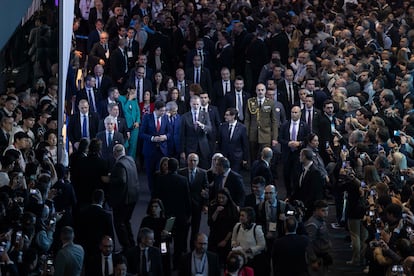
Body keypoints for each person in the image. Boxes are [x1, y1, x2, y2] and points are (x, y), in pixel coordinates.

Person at [153, 158, 191, 268]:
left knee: (164, 240)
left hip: (167, 217)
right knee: (178, 242)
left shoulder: (161, 179)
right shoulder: (183, 180)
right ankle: (176, 263)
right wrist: (188, 214)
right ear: (177, 167)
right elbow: (187, 199)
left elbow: (156, 197)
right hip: (180, 217)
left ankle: (165, 260)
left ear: (168, 167)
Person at [109, 144, 140, 251]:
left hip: (123, 200)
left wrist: (109, 180)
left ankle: (126, 247)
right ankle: (132, 244)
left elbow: (122, 180)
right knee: (127, 221)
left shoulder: (119, 164)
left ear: (115, 154)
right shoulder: (131, 159)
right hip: (133, 197)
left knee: (119, 223)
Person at [279, 105, 310, 197]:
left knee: (297, 174)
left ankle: (297, 193)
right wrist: (288, 143)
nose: (294, 114)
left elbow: (307, 140)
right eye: (292, 112)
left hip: (299, 154)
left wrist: (300, 143)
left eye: (296, 112)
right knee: (286, 174)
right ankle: (288, 193)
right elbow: (280, 138)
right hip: (287, 153)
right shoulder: (285, 125)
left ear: (300, 114)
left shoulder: (304, 125)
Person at [179, 153, 209, 247]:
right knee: (183, 230)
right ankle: (183, 249)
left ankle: (193, 248)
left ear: (198, 162)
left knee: (195, 230)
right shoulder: (181, 172)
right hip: (184, 206)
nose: (192, 162)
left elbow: (206, 188)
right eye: (191, 160)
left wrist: (205, 204)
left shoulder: (203, 173)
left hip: (197, 206)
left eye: (194, 160)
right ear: (187, 161)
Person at [139, 100, 170, 193]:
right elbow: (141, 134)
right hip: (150, 150)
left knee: (162, 173)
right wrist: (152, 138)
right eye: (161, 111)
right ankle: (152, 193)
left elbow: (170, 133)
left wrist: (165, 137)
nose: (163, 113)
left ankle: (160, 191)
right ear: (156, 110)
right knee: (150, 173)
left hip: (162, 150)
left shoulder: (165, 118)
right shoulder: (147, 118)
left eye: (164, 111)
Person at [245, 83, 278, 162]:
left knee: (265, 158)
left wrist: (274, 138)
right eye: (258, 90)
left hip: (266, 135)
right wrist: (246, 134)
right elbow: (247, 120)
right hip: (253, 134)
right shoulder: (250, 102)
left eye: (262, 90)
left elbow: (274, 121)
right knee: (253, 157)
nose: (260, 92)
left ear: (265, 91)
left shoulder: (270, 103)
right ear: (256, 91)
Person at [208, 188, 239, 267]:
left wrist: (225, 241)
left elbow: (233, 227)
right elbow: (210, 222)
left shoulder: (233, 208)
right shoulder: (213, 206)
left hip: (227, 237)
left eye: (223, 198)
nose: (221, 200)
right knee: (213, 261)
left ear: (227, 198)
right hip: (214, 236)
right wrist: (216, 211)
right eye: (219, 198)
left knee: (226, 262)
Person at [77, 189, 114, 256]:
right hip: (100, 248)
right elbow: (110, 234)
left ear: (92, 199)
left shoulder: (83, 213)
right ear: (103, 200)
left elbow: (79, 231)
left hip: (85, 247)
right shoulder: (106, 216)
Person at [231, 207, 267, 275]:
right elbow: (233, 240)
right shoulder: (237, 226)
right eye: (240, 215)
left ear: (249, 217)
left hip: (252, 260)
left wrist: (251, 250)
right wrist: (234, 245)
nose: (240, 217)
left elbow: (262, 245)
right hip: (240, 259)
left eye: (243, 215)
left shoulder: (256, 229)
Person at [180, 95, 213, 169]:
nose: (195, 106)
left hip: (203, 148)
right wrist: (182, 151)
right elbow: (182, 135)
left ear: (200, 104)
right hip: (190, 147)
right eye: (194, 104)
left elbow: (210, 129)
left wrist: (202, 126)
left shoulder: (205, 114)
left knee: (204, 168)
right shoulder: (184, 117)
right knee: (191, 168)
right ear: (190, 104)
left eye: (197, 104)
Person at [293, 148, 325, 220]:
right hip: (302, 207)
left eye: (300, 155)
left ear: (304, 156)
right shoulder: (303, 170)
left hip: (309, 209)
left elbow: (315, 193)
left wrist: (305, 207)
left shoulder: (315, 172)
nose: (299, 157)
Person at [305, 200, 333, 276]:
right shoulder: (313, 224)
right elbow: (309, 244)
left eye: (327, 210)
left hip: (323, 256)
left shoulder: (321, 220)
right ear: (316, 210)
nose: (326, 213)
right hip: (317, 258)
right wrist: (313, 260)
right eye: (323, 211)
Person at [217, 107, 249, 173]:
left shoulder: (242, 128)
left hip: (236, 157)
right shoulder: (222, 126)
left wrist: (245, 158)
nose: (225, 116)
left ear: (233, 116)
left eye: (227, 115)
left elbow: (245, 144)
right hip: (224, 156)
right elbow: (219, 142)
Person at [118, 84, 141, 159]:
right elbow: (124, 110)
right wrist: (129, 100)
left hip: (135, 127)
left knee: (133, 147)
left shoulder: (135, 100)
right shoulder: (121, 98)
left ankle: (131, 163)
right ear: (128, 90)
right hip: (125, 127)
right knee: (125, 145)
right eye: (133, 90)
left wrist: (137, 121)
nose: (134, 92)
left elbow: (138, 112)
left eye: (135, 91)